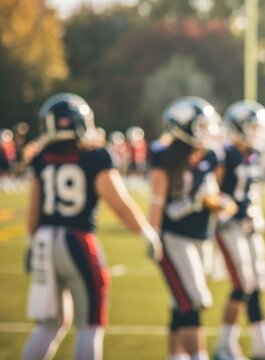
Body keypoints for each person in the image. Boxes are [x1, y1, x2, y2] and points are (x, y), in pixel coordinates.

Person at [22, 93, 163, 360]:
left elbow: (33, 210)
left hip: (43, 238)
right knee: (90, 324)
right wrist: (146, 232)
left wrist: (31, 243)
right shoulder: (94, 156)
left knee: (50, 324)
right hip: (77, 240)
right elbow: (119, 203)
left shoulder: (42, 158)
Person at [148, 96, 236, 360]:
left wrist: (220, 203)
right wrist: (152, 235)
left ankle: (176, 356)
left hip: (201, 236)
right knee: (193, 300)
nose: (207, 132)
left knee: (180, 300)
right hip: (174, 236)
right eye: (201, 126)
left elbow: (214, 195)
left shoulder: (209, 155)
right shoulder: (164, 156)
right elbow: (159, 201)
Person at [212, 100, 265, 360]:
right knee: (241, 285)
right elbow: (213, 192)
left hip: (248, 224)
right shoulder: (225, 154)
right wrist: (224, 212)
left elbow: (251, 191)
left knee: (256, 284)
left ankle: (260, 344)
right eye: (253, 127)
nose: (257, 132)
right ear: (239, 127)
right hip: (228, 226)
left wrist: (256, 215)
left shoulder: (252, 153)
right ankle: (224, 345)